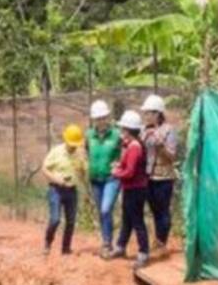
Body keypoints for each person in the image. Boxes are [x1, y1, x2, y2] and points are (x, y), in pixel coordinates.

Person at [107, 109, 149, 267]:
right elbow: (131, 166)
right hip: (132, 188)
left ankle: (143, 253)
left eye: (122, 128)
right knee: (127, 220)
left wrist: (116, 172)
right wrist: (120, 165)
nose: (120, 131)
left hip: (135, 189)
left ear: (127, 130)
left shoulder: (134, 147)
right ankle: (120, 246)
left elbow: (130, 172)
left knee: (137, 221)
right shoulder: (132, 145)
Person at [140, 93, 179, 253]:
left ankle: (162, 241)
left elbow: (172, 156)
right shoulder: (143, 130)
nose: (146, 116)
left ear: (157, 113)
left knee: (163, 209)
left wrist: (159, 145)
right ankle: (158, 239)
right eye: (145, 113)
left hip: (164, 177)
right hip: (148, 176)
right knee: (154, 209)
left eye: (149, 113)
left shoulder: (169, 131)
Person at [41, 124, 87, 255]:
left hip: (72, 190)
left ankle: (66, 249)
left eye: (75, 144)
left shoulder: (79, 154)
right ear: (66, 140)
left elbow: (83, 172)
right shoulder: (56, 151)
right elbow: (44, 168)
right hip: (56, 189)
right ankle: (47, 243)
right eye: (71, 143)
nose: (73, 146)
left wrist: (85, 189)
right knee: (55, 219)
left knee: (71, 221)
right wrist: (56, 179)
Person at [85, 99, 122, 255]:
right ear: (93, 119)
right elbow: (86, 152)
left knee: (106, 209)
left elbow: (125, 152)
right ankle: (106, 242)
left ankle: (107, 243)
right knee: (102, 211)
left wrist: (119, 164)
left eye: (103, 117)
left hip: (111, 179)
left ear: (108, 117)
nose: (101, 121)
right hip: (95, 179)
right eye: (97, 118)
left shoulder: (117, 135)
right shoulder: (89, 135)